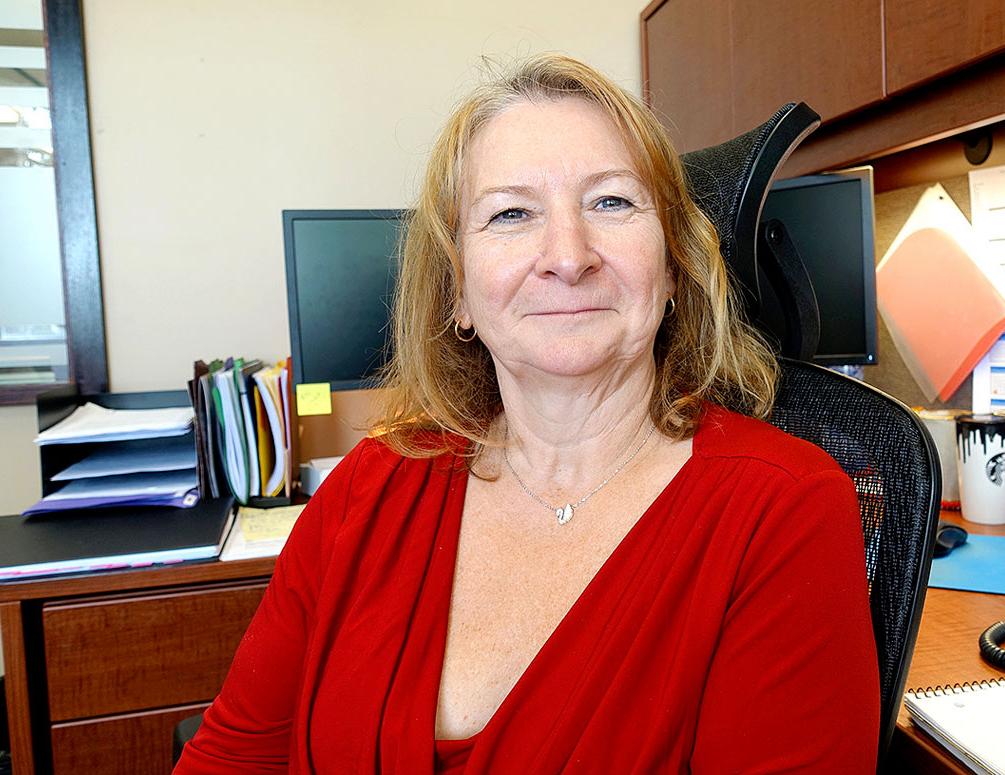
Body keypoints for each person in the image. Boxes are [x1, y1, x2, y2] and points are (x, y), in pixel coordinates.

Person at [174, 54, 879, 774]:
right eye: (510, 213)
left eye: (610, 203)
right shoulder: (367, 488)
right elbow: (230, 759)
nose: (567, 257)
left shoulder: (782, 508)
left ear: (671, 265)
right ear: (457, 292)